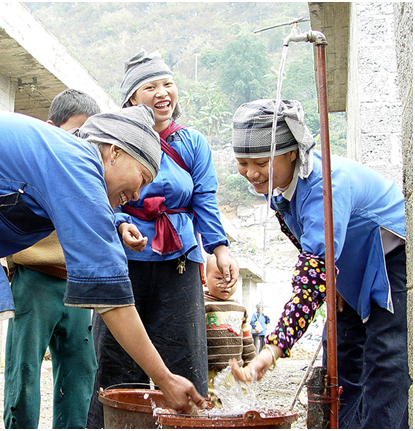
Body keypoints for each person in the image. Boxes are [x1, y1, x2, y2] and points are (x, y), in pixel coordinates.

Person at [0, 105, 208, 429]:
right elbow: (113, 301)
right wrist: (166, 380)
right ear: (115, 151)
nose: (136, 195)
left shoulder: (67, 159)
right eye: (142, 178)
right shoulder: (79, 164)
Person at [229, 99, 410, 429]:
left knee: (385, 355)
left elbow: (310, 283)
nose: (251, 173)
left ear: (292, 153)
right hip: (346, 266)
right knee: (340, 356)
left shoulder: (325, 185)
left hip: (387, 255)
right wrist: (333, 276)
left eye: (260, 162)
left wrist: (271, 351)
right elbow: (309, 250)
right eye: (242, 163)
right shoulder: (279, 189)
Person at [86, 50, 239, 428]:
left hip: (180, 262)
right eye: (149, 86)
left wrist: (219, 248)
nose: (162, 92)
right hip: (124, 258)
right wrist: (121, 223)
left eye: (167, 83)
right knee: (116, 363)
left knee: (184, 356)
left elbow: (204, 197)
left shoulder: (193, 143)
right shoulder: (112, 142)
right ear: (131, 100)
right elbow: (98, 191)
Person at [3, 89, 100, 429]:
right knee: (24, 370)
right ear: (50, 127)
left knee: (80, 371)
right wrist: (9, 265)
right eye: (76, 132)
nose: (82, 143)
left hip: (76, 284)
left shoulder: (90, 172)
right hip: (33, 279)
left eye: (90, 136)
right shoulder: (26, 165)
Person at [204, 254, 256, 406]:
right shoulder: (202, 304)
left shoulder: (240, 309)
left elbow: (246, 340)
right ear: (205, 278)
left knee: (240, 402)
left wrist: (252, 363)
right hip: (209, 370)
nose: (225, 284)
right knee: (212, 403)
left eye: (230, 279)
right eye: (219, 278)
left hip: (234, 370)